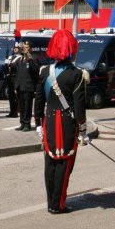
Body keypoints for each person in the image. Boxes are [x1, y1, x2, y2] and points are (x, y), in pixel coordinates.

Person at [34, 29, 88, 214]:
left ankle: (51, 202)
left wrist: (37, 124)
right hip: (67, 124)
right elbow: (79, 107)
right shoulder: (76, 74)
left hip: (48, 121)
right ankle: (59, 204)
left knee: (50, 162)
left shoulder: (44, 72)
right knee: (64, 163)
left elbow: (39, 101)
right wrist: (82, 130)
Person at [15, 41, 40, 131]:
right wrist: (16, 86)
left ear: (30, 48)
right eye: (24, 47)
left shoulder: (34, 59)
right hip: (20, 86)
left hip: (29, 87)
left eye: (27, 47)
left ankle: (27, 124)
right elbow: (18, 74)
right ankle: (22, 122)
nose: (25, 48)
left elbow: (35, 71)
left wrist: (30, 60)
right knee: (21, 106)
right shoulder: (20, 59)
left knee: (27, 107)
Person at [5, 31, 22, 118]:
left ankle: (16, 111)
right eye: (14, 48)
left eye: (17, 48)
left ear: (19, 49)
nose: (15, 49)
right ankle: (12, 111)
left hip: (16, 78)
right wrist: (6, 63)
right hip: (10, 78)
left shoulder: (20, 58)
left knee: (16, 96)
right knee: (11, 96)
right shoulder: (11, 57)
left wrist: (11, 64)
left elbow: (18, 69)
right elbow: (7, 68)